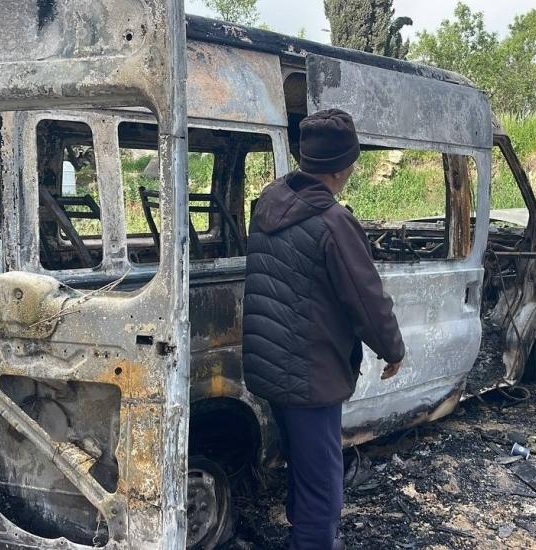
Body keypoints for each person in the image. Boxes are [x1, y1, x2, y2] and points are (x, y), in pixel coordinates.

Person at [242, 109, 406, 550]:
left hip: (269, 366)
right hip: (310, 375)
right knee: (323, 488)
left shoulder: (268, 203)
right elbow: (367, 300)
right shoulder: (333, 222)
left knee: (303, 466)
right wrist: (392, 349)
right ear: (343, 166)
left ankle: (303, 535)